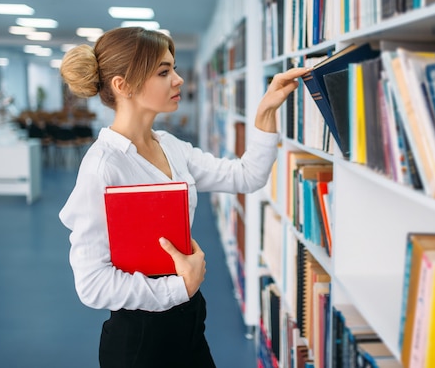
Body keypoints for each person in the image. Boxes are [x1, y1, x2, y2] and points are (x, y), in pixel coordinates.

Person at [58, 26, 309, 367]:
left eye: (173, 68)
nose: (178, 80)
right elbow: (92, 285)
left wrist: (266, 112)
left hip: (189, 322)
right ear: (123, 85)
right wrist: (179, 288)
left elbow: (246, 177)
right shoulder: (103, 167)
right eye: (164, 72)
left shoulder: (170, 146)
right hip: (141, 340)